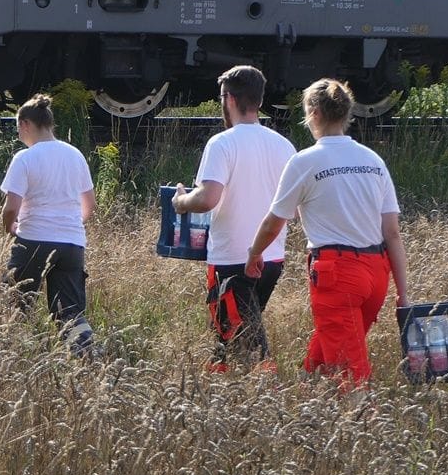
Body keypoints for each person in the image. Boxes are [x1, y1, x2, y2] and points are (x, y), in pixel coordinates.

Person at [245, 78, 409, 386]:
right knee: (329, 346)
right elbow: (393, 234)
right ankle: (305, 395)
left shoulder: (305, 161)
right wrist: (403, 293)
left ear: (313, 113)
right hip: (376, 275)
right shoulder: (373, 161)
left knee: (350, 374)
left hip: (338, 275)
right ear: (347, 113)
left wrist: (255, 253)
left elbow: (273, 222)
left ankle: (361, 425)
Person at [171, 66, 295, 372]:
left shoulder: (222, 143)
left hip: (231, 261)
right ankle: (221, 384)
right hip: (272, 259)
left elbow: (207, 198)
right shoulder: (284, 146)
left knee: (251, 347)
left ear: (229, 99)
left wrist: (181, 202)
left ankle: (268, 398)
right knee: (229, 339)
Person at [0, 94, 98, 357]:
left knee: (15, 304)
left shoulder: (25, 158)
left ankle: (12, 357)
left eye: (19, 129)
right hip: (72, 243)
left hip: (32, 239)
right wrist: (70, 225)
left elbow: (11, 207)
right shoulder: (75, 155)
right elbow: (89, 204)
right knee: (70, 312)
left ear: (25, 125)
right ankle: (87, 358)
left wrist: (12, 227)